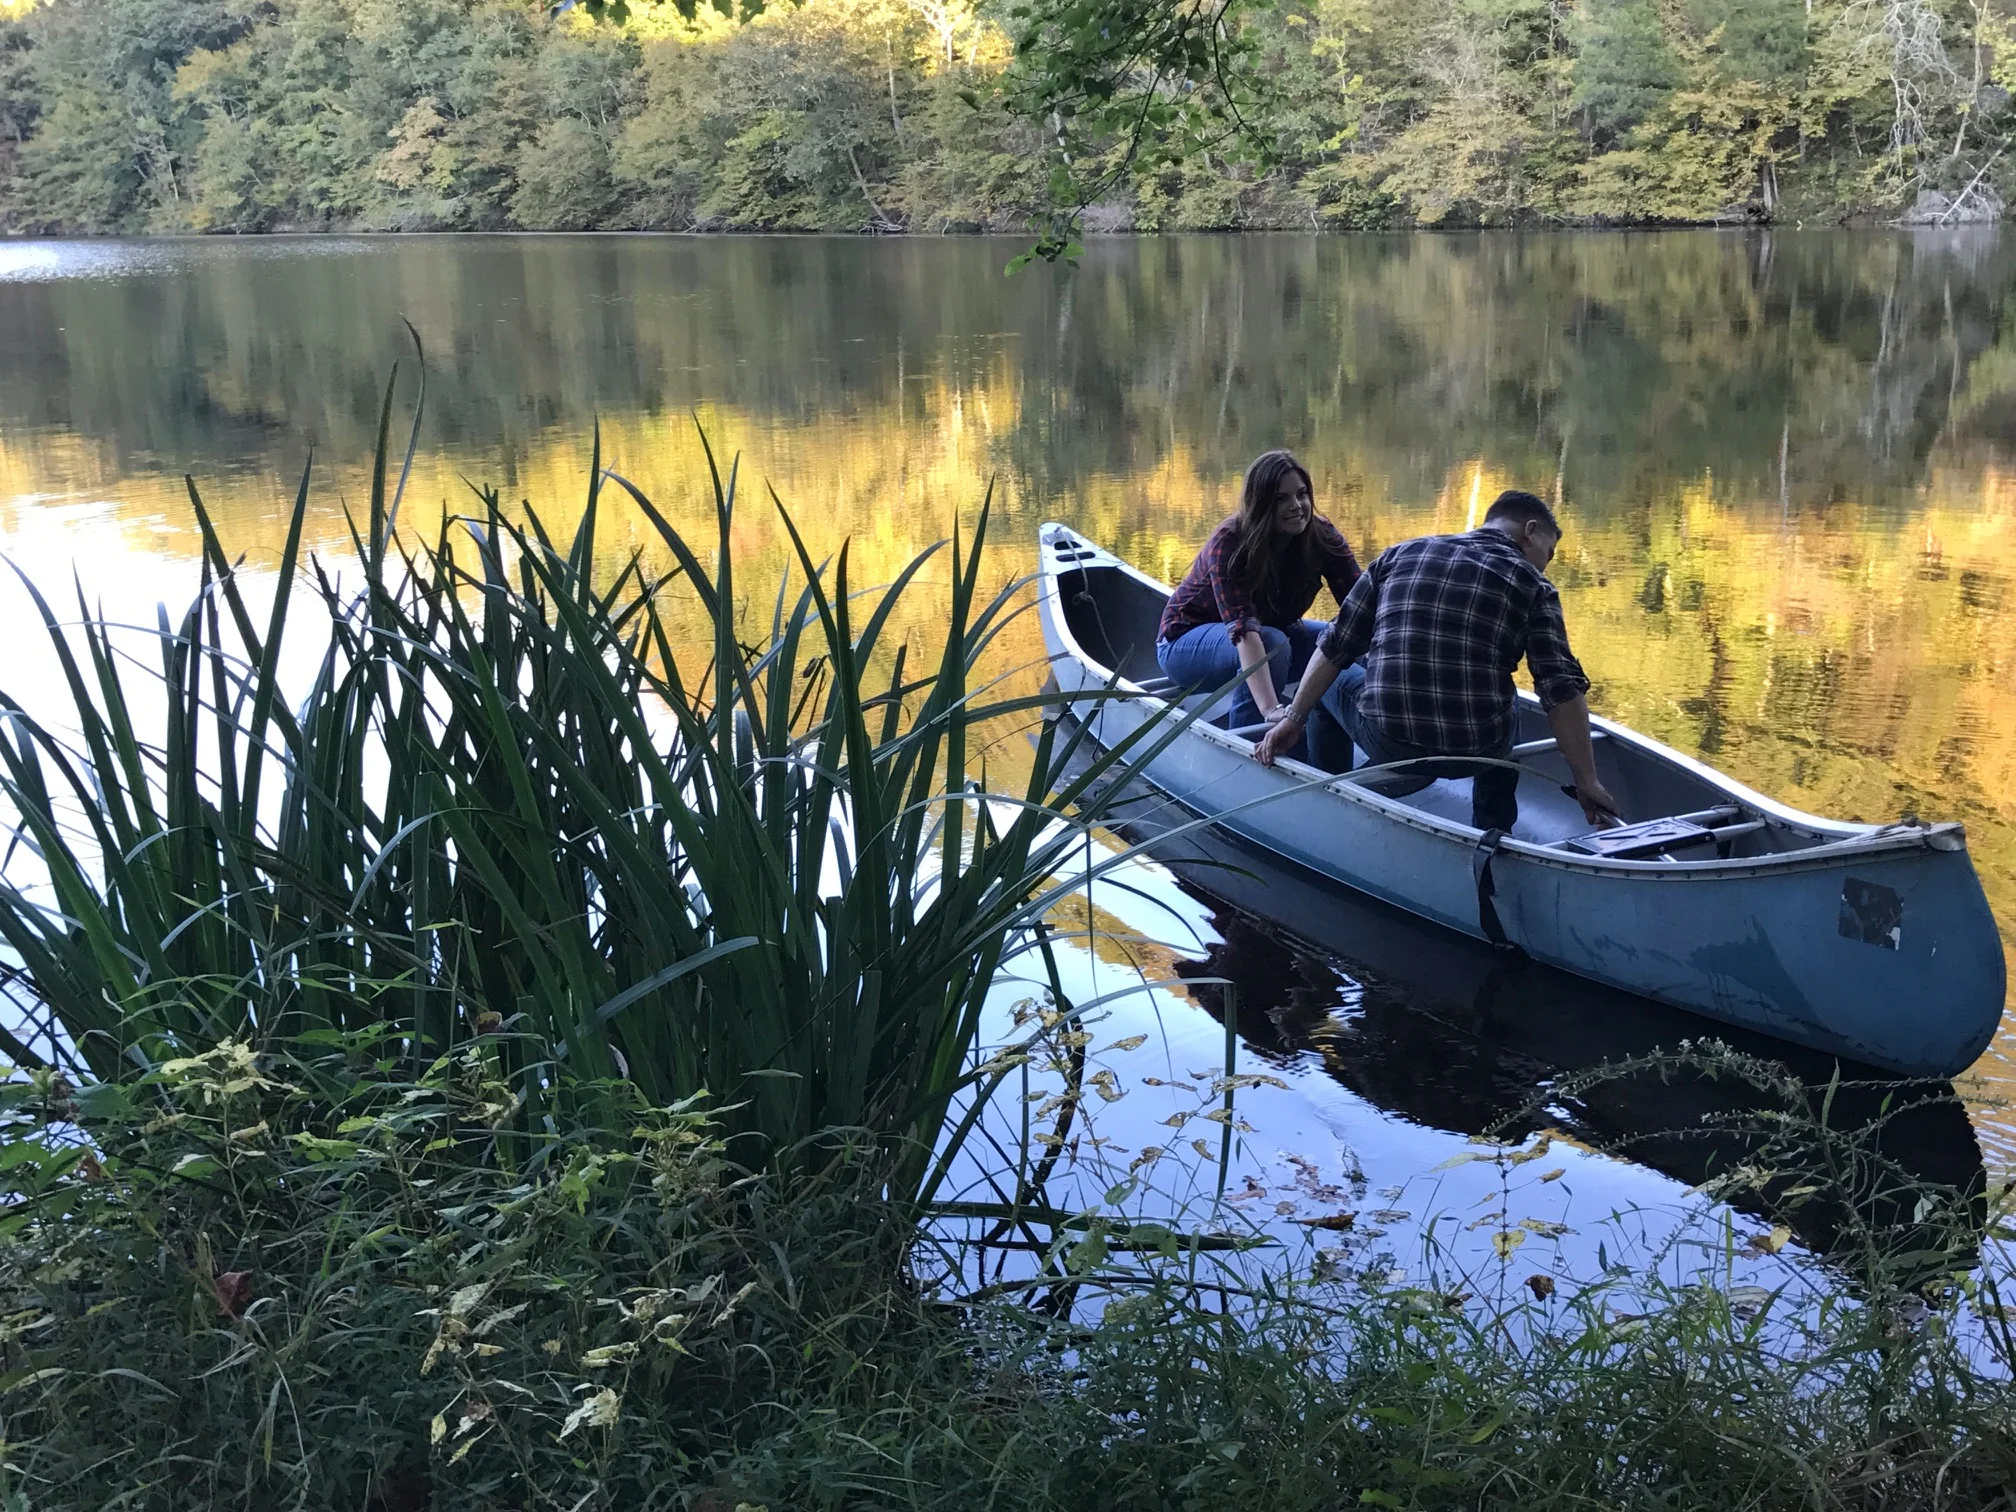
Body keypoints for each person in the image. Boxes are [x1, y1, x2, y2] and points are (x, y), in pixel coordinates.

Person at [1254, 489, 1621, 834]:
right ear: (1530, 530)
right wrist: (1586, 781)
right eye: (1550, 552)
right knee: (1509, 703)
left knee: (1333, 678)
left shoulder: (1399, 555)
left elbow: (1335, 646)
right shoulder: (1534, 586)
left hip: (1389, 741)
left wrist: (1293, 718)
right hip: (1478, 753)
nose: (1546, 564)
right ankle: (1493, 831)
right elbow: (1560, 690)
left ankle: (1329, 798)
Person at [1156, 450, 1361, 768]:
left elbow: (1364, 611)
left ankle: (1332, 761)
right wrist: (1272, 710)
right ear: (1262, 504)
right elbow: (1245, 633)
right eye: (1281, 499)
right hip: (1185, 644)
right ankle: (1244, 754)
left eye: (1302, 494)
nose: (1296, 506)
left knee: (1342, 643)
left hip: (1272, 637)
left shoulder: (1321, 536)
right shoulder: (1231, 541)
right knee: (1272, 642)